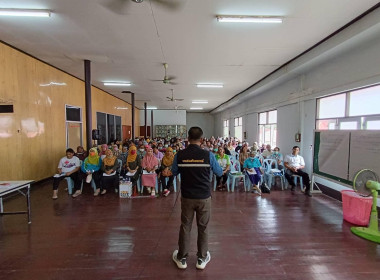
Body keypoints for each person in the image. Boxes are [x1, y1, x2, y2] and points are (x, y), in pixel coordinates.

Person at [171, 127, 223, 270]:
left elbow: (173, 171)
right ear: (202, 139)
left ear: (188, 138)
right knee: (203, 227)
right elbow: (219, 172)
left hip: (187, 197)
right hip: (204, 197)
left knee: (185, 226)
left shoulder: (180, 155)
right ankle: (201, 258)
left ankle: (181, 258)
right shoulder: (209, 155)